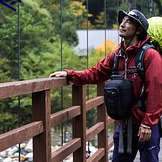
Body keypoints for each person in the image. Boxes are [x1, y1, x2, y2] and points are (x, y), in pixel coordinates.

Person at [49, 9, 162, 162]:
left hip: (145, 123)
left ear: (139, 30)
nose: (122, 24)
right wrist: (69, 74)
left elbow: (156, 90)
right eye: (122, 21)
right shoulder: (117, 55)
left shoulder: (150, 55)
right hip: (125, 123)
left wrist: (148, 124)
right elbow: (96, 73)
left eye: (128, 22)